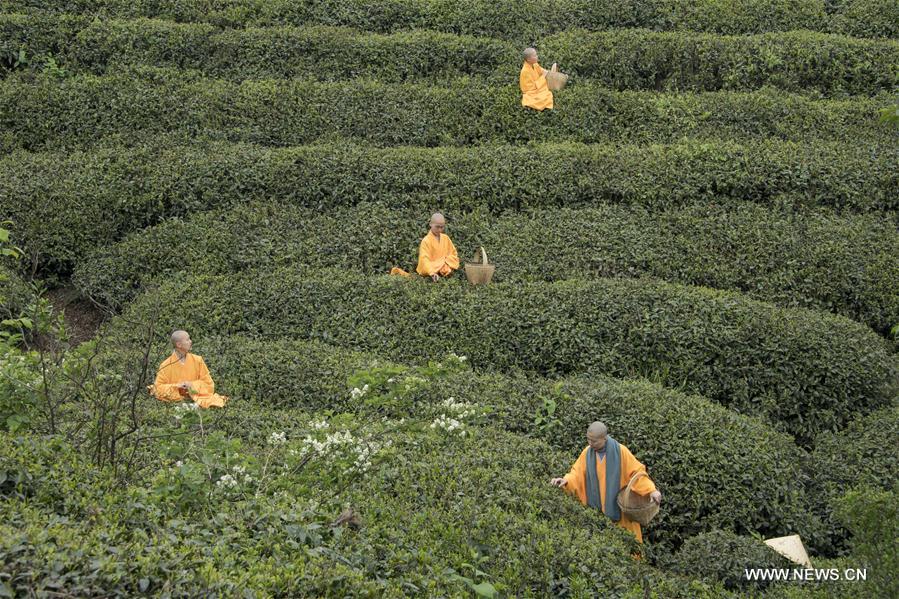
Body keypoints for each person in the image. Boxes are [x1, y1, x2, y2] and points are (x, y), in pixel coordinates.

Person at [550, 421, 661, 543]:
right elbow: (577, 474)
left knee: (629, 546)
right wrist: (566, 481)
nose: (590, 443)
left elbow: (636, 474)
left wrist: (651, 490)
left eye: (594, 441)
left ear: (604, 438)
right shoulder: (587, 453)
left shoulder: (621, 452)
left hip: (620, 513)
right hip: (597, 514)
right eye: (588, 440)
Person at [148, 330, 228, 408]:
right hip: (177, 399)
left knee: (213, 400)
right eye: (187, 339)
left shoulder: (198, 360)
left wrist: (191, 385)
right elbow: (158, 388)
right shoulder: (166, 365)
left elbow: (209, 384)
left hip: (197, 396)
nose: (190, 341)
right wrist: (177, 386)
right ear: (179, 344)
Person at [390, 213, 460, 281]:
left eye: (442, 227)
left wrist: (445, 263)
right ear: (430, 224)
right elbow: (424, 260)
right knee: (429, 265)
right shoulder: (426, 241)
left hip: (444, 268)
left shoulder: (446, 238)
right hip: (431, 268)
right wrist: (432, 272)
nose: (439, 230)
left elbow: (453, 254)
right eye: (437, 227)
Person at [520, 47, 554, 111]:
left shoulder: (534, 64)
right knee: (544, 97)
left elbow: (541, 70)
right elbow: (530, 87)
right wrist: (543, 76)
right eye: (535, 56)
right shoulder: (525, 71)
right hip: (531, 91)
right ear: (529, 59)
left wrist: (548, 73)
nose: (537, 57)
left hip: (538, 86)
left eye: (536, 55)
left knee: (548, 94)